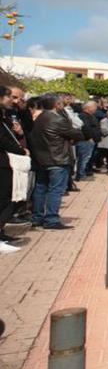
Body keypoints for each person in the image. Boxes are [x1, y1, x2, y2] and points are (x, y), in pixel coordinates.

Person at [28, 93, 85, 230]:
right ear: (56, 104)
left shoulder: (39, 118)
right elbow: (78, 134)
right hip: (57, 159)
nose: (62, 105)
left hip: (41, 159)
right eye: (60, 103)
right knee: (55, 190)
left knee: (40, 189)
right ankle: (51, 219)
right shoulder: (58, 119)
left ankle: (37, 217)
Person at [0, 86, 28, 249]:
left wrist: (18, 134)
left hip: (6, 161)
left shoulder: (6, 116)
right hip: (3, 162)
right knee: (4, 198)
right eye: (9, 96)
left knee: (6, 197)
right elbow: (2, 139)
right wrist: (20, 150)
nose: (13, 100)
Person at [76, 101, 101, 180]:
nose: (95, 108)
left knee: (87, 158)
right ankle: (81, 175)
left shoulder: (91, 116)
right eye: (94, 107)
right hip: (86, 141)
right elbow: (85, 128)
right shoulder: (83, 116)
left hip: (91, 141)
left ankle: (84, 173)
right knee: (84, 159)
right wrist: (90, 138)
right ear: (88, 108)